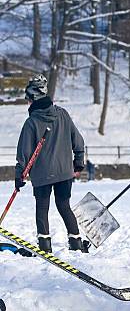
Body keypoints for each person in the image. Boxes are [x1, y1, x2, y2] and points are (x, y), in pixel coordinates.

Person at [14, 74, 89, 253]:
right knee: (64, 205)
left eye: (28, 99)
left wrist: (19, 176)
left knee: (42, 208)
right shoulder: (62, 114)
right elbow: (78, 140)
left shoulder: (31, 122)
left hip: (42, 175)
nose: (28, 103)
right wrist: (78, 162)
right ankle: (76, 243)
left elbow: (23, 153)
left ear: (33, 98)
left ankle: (45, 246)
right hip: (64, 172)